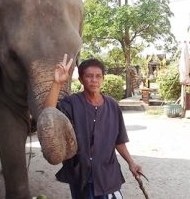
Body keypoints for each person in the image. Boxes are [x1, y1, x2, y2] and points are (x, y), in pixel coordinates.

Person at [44, 54, 142, 199]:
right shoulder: (71, 103)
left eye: (98, 76)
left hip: (107, 174)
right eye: (89, 76)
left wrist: (131, 163)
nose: (94, 80)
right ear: (81, 79)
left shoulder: (113, 106)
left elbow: (119, 140)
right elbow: (48, 114)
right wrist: (57, 83)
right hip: (81, 174)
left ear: (103, 78)